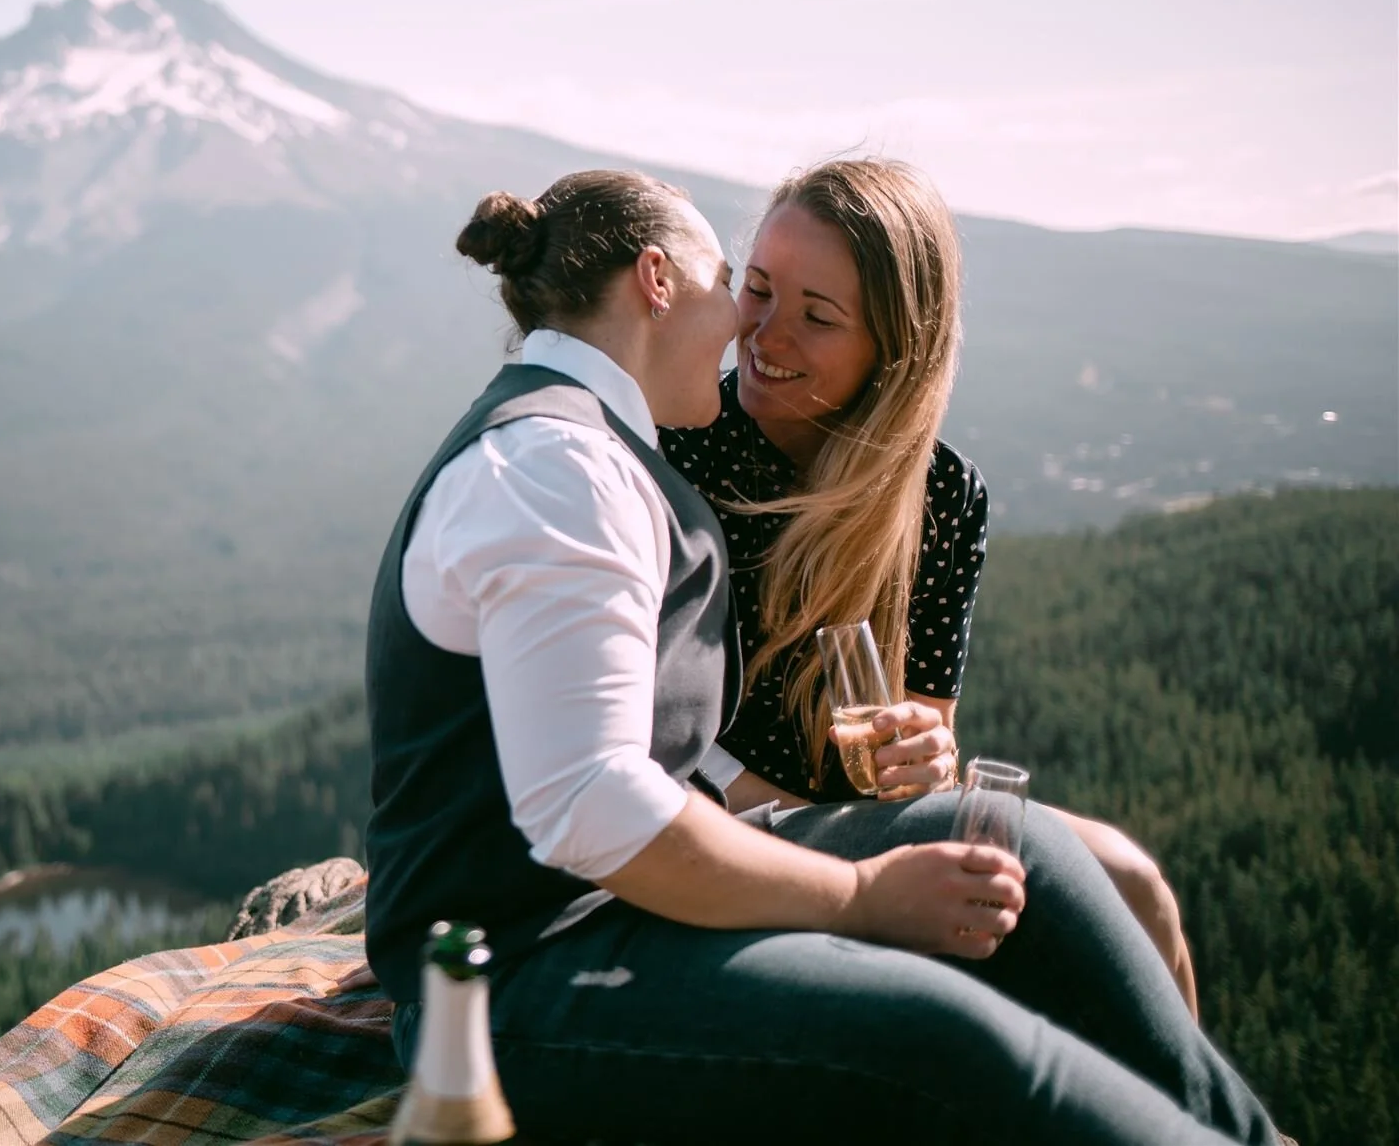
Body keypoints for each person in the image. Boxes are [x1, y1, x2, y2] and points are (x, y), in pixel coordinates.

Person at [362, 169, 1274, 1144]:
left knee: (1036, 858)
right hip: (519, 963)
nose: (745, 331)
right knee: (946, 1036)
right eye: (740, 286)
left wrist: (905, 782)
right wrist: (859, 898)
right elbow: (593, 804)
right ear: (657, 281)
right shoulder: (563, 468)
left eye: (810, 312)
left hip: (612, 907)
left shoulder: (590, 452)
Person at [659, 158, 1201, 1018]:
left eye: (818, 316)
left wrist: (928, 757)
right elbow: (652, 746)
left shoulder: (942, 495)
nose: (765, 335)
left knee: (1138, 885)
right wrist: (852, 859)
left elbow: (924, 735)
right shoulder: (680, 448)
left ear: (894, 346)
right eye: (756, 289)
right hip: (730, 833)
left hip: (864, 830)